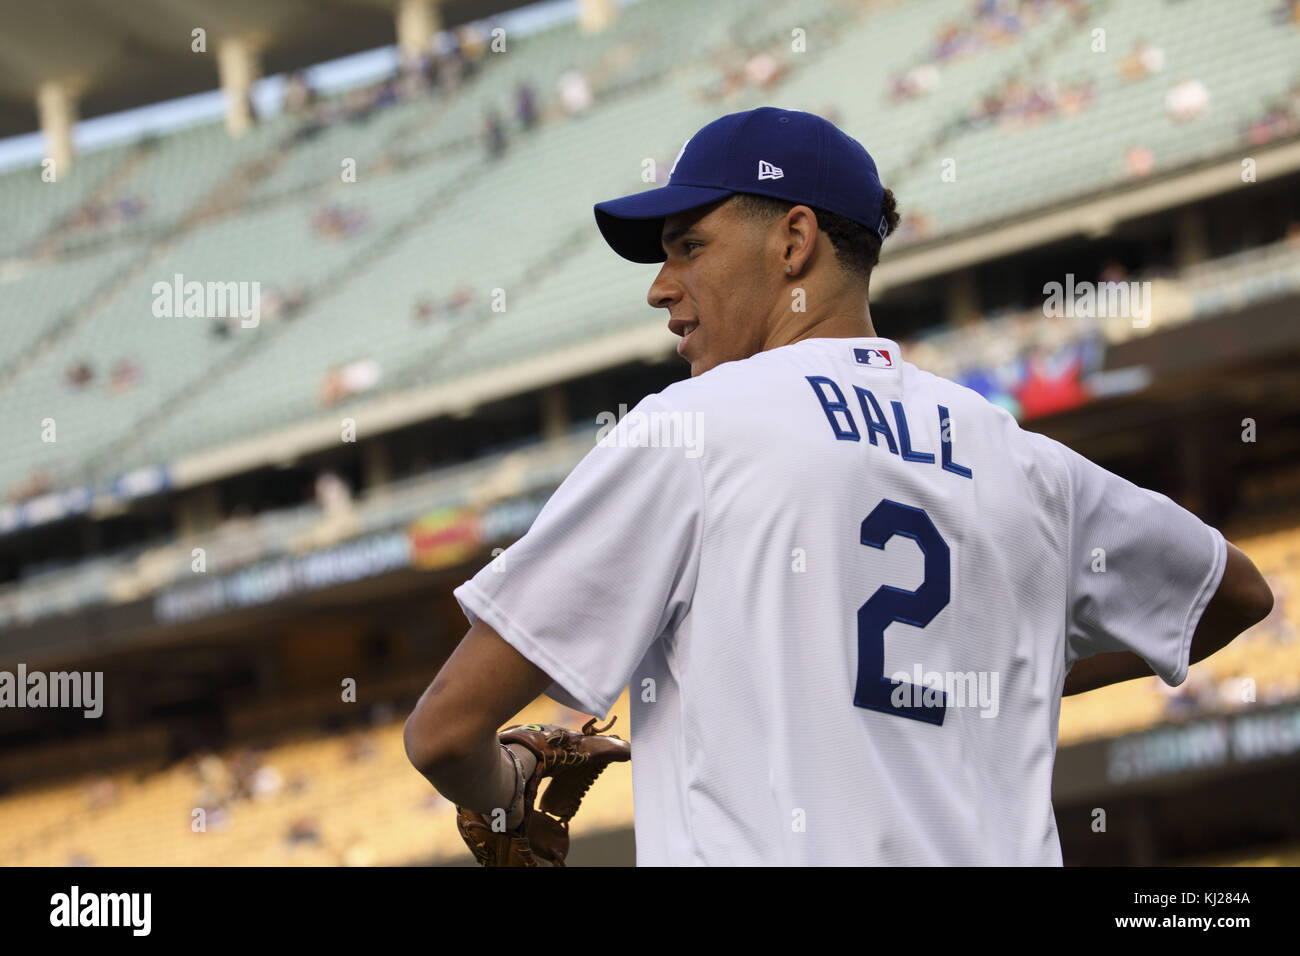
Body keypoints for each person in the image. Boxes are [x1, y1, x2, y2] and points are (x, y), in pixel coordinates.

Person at [403, 107, 1273, 865]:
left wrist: (505, 789)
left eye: (689, 246)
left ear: (794, 240)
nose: (662, 288)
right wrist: (1011, 678)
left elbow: (445, 732)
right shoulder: (1023, 460)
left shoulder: (696, 426)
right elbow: (1230, 592)